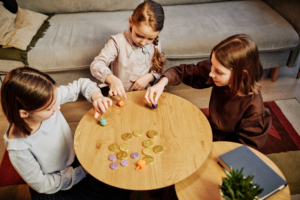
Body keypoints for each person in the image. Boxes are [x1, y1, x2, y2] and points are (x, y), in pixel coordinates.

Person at [1, 66, 131, 200]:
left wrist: (97, 96)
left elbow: (82, 84)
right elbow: (43, 185)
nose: (58, 107)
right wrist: (82, 172)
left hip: (74, 162)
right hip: (54, 188)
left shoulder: (48, 100)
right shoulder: (18, 149)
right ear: (24, 113)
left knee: (120, 183)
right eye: (50, 108)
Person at [145, 34, 272, 150]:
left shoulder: (254, 110)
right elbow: (182, 72)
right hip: (212, 129)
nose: (211, 73)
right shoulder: (218, 72)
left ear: (242, 74)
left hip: (228, 147)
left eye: (218, 71)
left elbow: (245, 152)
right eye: (211, 65)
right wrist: (162, 83)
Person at [90, 0, 167, 98]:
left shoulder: (155, 44)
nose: (143, 43)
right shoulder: (117, 41)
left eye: (150, 39)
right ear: (131, 22)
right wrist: (112, 80)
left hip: (143, 95)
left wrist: (149, 77)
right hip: (119, 96)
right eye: (139, 35)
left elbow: (157, 70)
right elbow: (96, 65)